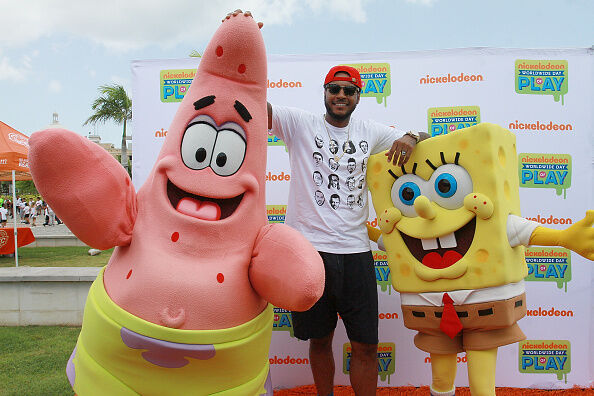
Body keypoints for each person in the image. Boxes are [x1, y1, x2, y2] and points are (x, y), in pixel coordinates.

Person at [267, 61, 426, 395]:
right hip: (310, 254)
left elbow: (426, 139)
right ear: (324, 93)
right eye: (334, 89)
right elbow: (258, 108)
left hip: (356, 254)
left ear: (358, 96)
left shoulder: (371, 131)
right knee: (320, 341)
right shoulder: (300, 123)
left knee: (366, 346)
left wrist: (412, 137)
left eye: (348, 91)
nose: (341, 96)